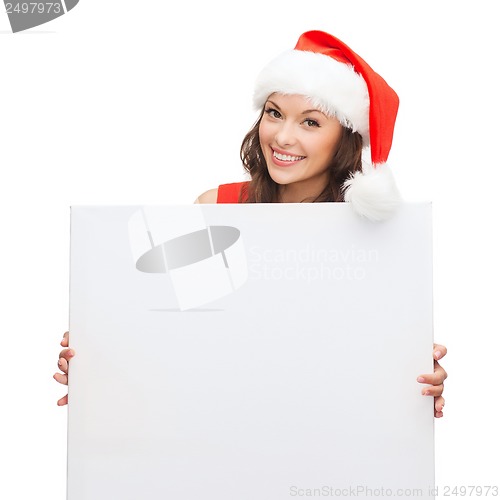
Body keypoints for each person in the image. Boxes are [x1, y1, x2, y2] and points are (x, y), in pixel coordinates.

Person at [54, 30, 447, 417]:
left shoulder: (374, 235)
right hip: (218, 429)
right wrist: (100, 355)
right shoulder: (216, 207)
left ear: (344, 140)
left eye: (310, 123)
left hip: (325, 431)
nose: (282, 137)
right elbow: (171, 334)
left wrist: (414, 376)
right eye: (274, 113)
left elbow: (371, 351)